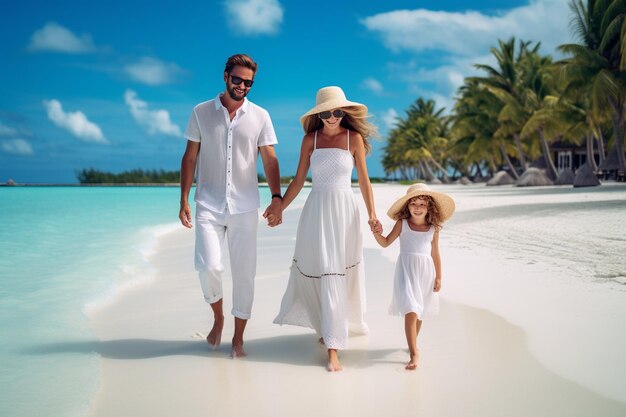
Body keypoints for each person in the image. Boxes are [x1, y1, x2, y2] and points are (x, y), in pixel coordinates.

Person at [179, 53, 282, 358]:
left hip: (245, 206)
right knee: (208, 265)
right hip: (208, 204)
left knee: (244, 274)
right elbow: (189, 157)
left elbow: (270, 159)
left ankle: (238, 338)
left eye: (248, 83)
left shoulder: (261, 115)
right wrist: (183, 198)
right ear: (225, 76)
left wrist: (277, 199)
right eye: (237, 80)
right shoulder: (200, 112)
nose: (242, 86)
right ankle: (218, 316)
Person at [273, 86, 380, 372]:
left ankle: (333, 348)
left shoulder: (353, 138)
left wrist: (372, 214)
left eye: (337, 112)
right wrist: (279, 206)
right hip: (316, 211)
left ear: (343, 112)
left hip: (345, 211)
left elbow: (365, 182)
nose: (332, 117)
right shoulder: (311, 140)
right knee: (320, 270)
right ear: (318, 114)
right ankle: (326, 327)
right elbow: (297, 181)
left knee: (336, 272)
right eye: (327, 112)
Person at [372, 183, 455, 370]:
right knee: (411, 309)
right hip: (406, 271)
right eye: (414, 204)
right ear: (407, 206)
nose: (417, 208)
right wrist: (376, 232)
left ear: (429, 208)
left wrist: (439, 277)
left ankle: (413, 344)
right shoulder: (402, 224)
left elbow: (435, 253)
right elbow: (385, 243)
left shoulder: (433, 228)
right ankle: (414, 353)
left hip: (426, 273)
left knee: (420, 313)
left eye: (422, 204)